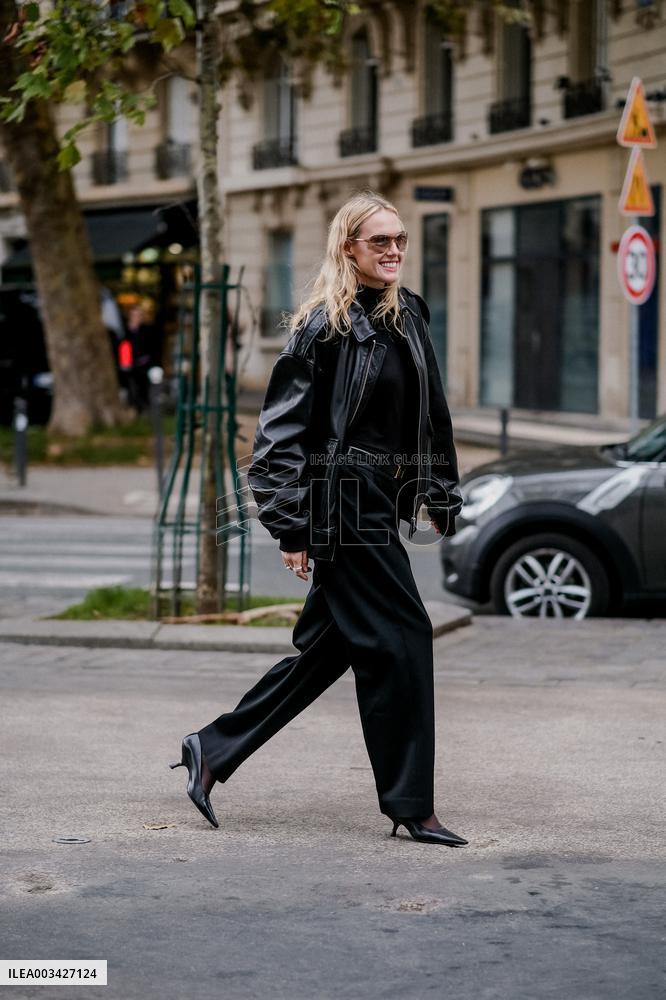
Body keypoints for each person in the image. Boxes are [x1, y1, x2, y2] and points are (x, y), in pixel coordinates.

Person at [170, 191, 468, 846]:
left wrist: (440, 492)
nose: (394, 251)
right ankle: (411, 805)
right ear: (348, 248)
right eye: (380, 241)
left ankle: (212, 749)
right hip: (343, 501)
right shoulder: (321, 327)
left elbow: (433, 414)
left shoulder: (409, 314)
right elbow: (278, 440)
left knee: (333, 649)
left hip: (381, 498)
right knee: (404, 636)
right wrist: (293, 526)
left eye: (400, 239)